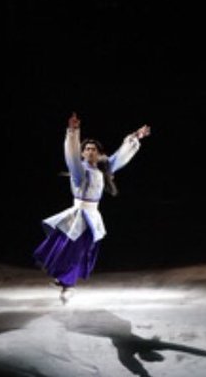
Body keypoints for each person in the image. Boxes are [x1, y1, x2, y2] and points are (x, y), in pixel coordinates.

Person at [33, 111, 151, 301]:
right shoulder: (79, 170)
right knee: (68, 248)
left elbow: (120, 156)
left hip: (92, 217)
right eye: (87, 149)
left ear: (99, 153)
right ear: (83, 153)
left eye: (93, 149)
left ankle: (66, 282)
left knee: (80, 251)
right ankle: (66, 283)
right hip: (77, 218)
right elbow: (71, 156)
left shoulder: (104, 168)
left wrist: (136, 136)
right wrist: (73, 131)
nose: (90, 151)